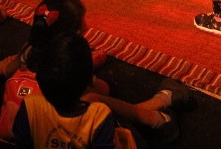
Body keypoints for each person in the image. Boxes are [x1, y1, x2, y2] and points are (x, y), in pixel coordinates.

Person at [0, 0, 189, 143]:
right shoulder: (67, 71)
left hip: (22, 128)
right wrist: (90, 72)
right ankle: (157, 111)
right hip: (62, 129)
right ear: (72, 36)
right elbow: (102, 91)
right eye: (83, 22)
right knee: (96, 102)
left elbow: (9, 67)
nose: (87, 25)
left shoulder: (30, 53)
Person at [11, 31, 139, 149]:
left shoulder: (30, 106)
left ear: (39, 77)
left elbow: (22, 144)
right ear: (89, 80)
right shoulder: (99, 116)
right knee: (130, 135)